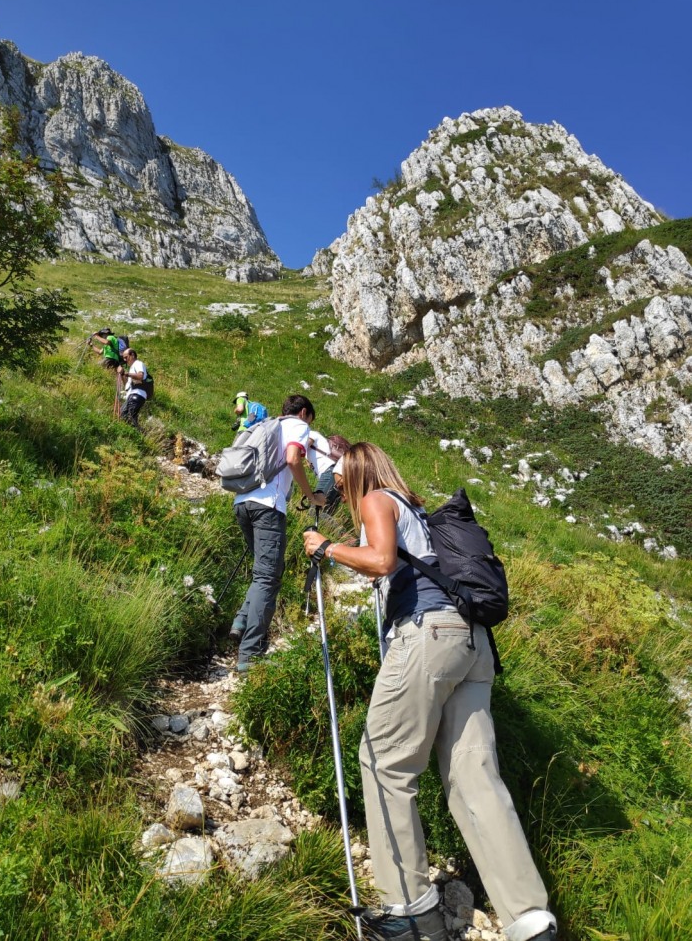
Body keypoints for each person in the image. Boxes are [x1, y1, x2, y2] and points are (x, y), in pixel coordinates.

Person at [303, 443, 556, 941]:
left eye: (339, 482)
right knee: (474, 777)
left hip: (428, 635)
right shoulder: (417, 510)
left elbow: (379, 559)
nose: (339, 492)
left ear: (356, 475)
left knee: (385, 762)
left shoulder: (377, 499)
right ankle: (529, 918)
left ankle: (409, 910)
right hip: (473, 644)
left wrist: (326, 548)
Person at [229, 394, 325, 674]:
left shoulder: (266, 424)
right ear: (305, 413)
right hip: (267, 506)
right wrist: (311, 495)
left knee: (264, 572)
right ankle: (251, 655)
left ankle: (241, 621)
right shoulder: (297, 426)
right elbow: (293, 458)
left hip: (242, 502)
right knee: (268, 577)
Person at [307, 431, 351, 514]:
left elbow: (300, 449)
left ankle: (339, 528)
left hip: (330, 473)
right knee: (325, 514)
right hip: (337, 475)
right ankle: (334, 527)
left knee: (315, 510)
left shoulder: (311, 434)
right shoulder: (315, 447)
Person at [118, 348, 148, 427]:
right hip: (133, 395)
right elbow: (126, 386)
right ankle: (133, 434)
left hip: (137, 394)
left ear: (132, 355)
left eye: (126, 357)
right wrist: (122, 374)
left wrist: (127, 373)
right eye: (123, 358)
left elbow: (140, 376)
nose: (125, 360)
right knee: (124, 416)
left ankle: (138, 435)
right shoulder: (132, 368)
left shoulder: (138, 363)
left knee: (129, 418)